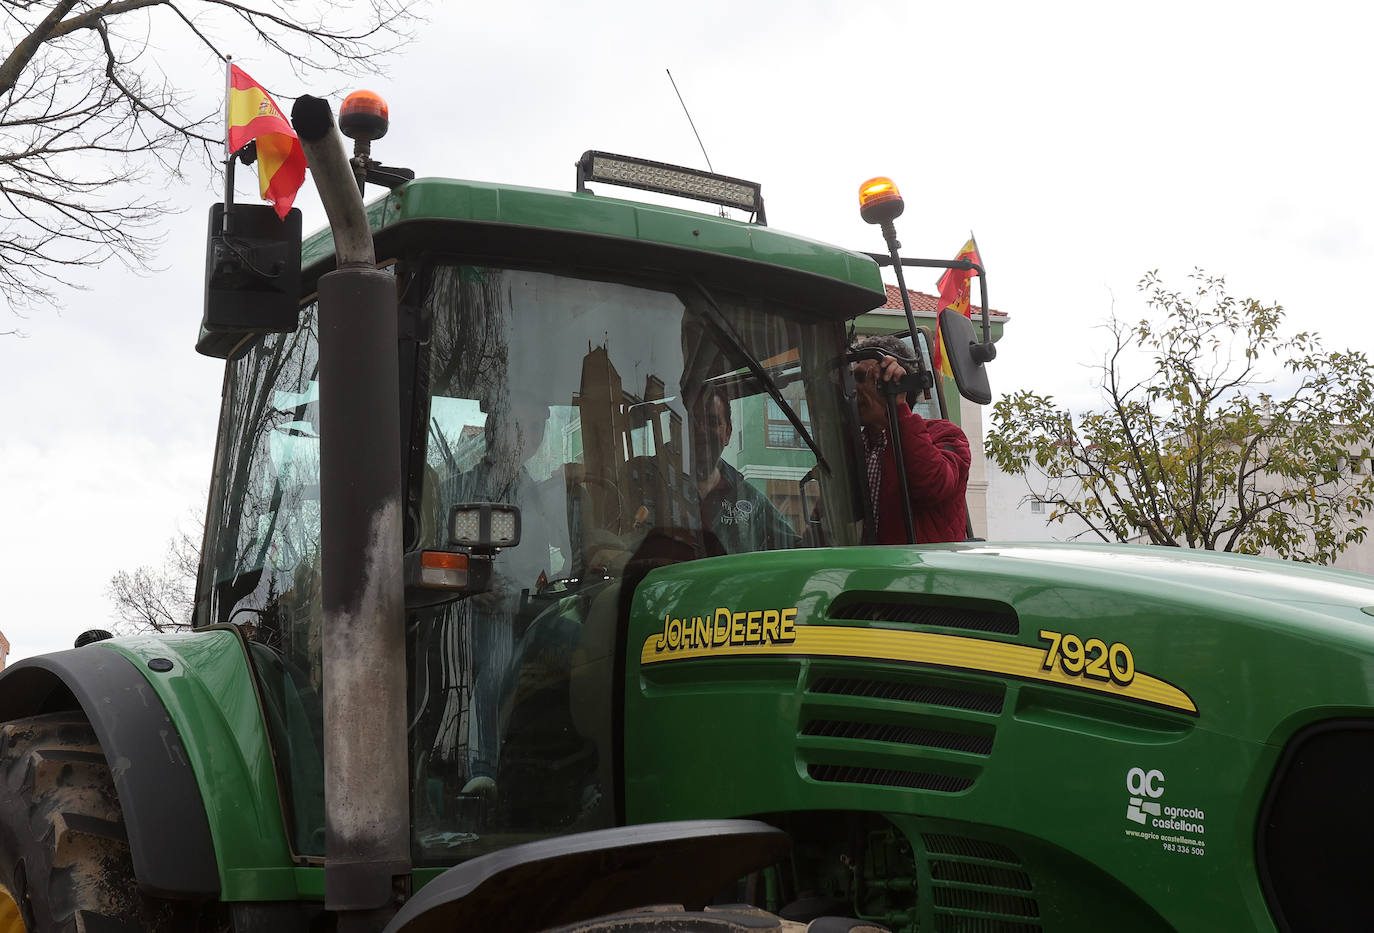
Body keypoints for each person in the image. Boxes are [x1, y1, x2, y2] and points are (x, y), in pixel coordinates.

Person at [851, 335, 971, 544]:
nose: (852, 389)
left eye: (861, 378)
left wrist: (897, 407)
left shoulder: (947, 435)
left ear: (890, 383)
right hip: (865, 571)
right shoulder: (855, 447)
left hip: (919, 573)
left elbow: (932, 486)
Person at [690, 386, 801, 554]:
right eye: (695, 421)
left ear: (728, 433)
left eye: (713, 422)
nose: (701, 430)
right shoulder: (655, 483)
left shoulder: (751, 500)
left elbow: (797, 550)